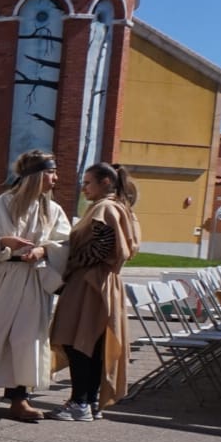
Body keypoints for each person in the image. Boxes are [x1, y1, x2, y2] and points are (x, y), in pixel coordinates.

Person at [0, 149, 69, 422]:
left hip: (32, 280)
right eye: (51, 172)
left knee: (25, 340)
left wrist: (42, 251)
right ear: (36, 176)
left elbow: (65, 243)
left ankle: (19, 398)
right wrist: (4, 243)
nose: (56, 177)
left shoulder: (53, 211)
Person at [47, 163, 140, 421]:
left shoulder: (105, 208)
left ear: (106, 182)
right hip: (103, 282)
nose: (83, 187)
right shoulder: (120, 207)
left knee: (78, 341)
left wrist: (74, 262)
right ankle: (88, 401)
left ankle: (80, 403)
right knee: (92, 342)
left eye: (88, 182)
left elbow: (105, 246)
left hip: (91, 282)